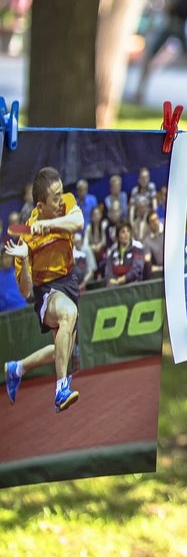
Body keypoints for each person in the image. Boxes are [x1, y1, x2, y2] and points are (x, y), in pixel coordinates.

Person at [3, 167, 84, 412]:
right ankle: (61, 388)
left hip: (69, 281)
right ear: (40, 205)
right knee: (68, 314)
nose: (62, 200)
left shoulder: (66, 205)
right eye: (55, 197)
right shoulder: (26, 239)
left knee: (63, 348)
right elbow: (25, 291)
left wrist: (49, 225)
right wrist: (25, 258)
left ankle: (17, 368)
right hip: (47, 292)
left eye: (61, 193)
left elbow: (78, 222)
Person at [104, 220, 146, 287]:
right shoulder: (113, 253)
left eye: (128, 231)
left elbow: (137, 270)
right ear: (118, 236)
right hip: (116, 284)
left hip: (133, 283)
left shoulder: (137, 250)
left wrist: (124, 279)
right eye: (123, 232)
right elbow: (108, 270)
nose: (126, 234)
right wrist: (111, 279)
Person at [142, 211, 165, 277]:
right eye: (152, 221)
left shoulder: (168, 229)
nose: (155, 222)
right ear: (148, 225)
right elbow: (147, 260)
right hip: (161, 270)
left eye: (156, 219)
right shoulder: (147, 241)